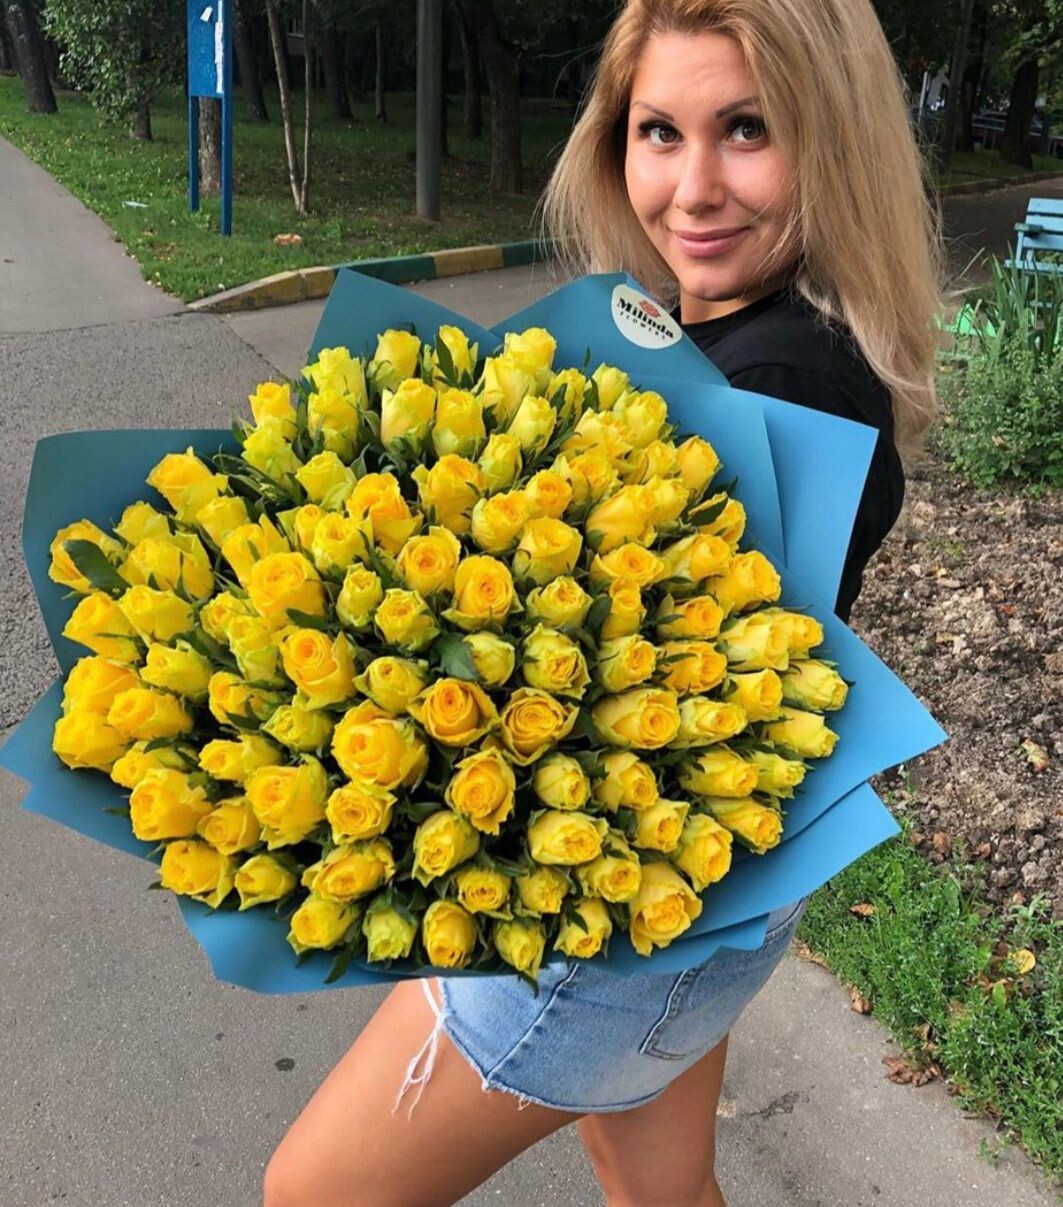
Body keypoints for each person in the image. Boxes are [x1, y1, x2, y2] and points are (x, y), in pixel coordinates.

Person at [262, 1, 942, 1204]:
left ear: (833, 139)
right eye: (657, 131)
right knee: (655, 1190)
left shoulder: (780, 380)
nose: (692, 188)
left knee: (314, 1192)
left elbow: (653, 707)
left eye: (746, 129)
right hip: (696, 898)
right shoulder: (728, 327)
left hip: (615, 903)